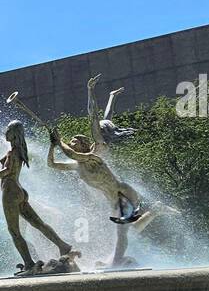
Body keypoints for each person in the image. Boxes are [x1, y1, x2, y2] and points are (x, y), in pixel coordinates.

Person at [47, 76, 147, 266]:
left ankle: (117, 262)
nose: (71, 142)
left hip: (123, 195)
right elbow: (53, 165)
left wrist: (90, 90)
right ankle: (118, 259)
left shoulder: (96, 151)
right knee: (123, 230)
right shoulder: (82, 160)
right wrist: (53, 145)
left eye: (74, 141)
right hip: (112, 199)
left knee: (122, 231)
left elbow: (93, 116)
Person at [0, 120, 78, 274]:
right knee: (39, 224)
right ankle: (63, 245)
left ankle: (28, 264)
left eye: (8, 130)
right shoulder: (18, 150)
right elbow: (6, 169)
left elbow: (6, 170)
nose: (5, 133)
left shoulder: (12, 152)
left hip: (10, 193)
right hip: (19, 191)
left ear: (14, 133)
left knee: (14, 231)